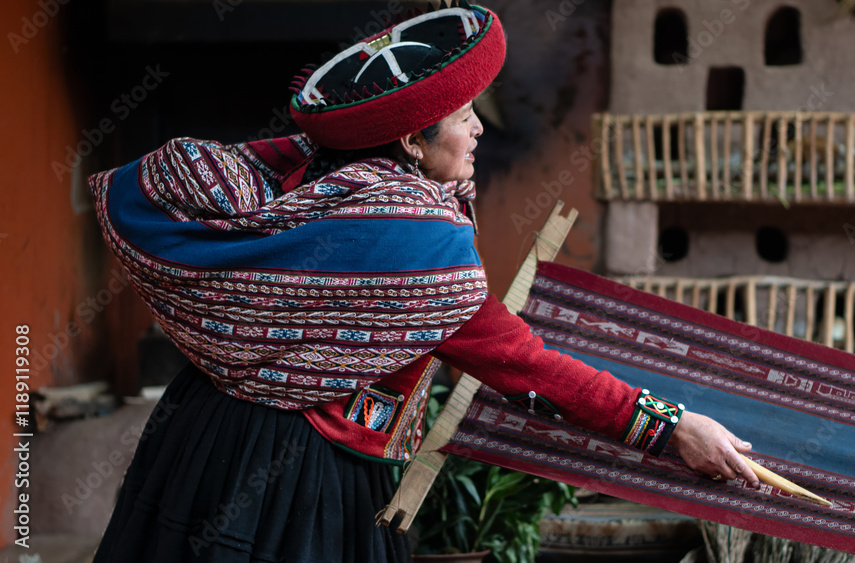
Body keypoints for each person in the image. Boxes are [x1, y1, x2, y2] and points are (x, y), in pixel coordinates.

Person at [89, 3, 758, 562]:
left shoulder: (310, 184)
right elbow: (527, 364)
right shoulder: (416, 245)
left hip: (201, 433)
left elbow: (162, 180)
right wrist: (671, 428)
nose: (476, 127)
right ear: (411, 138)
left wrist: (401, 170)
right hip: (296, 470)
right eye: (464, 113)